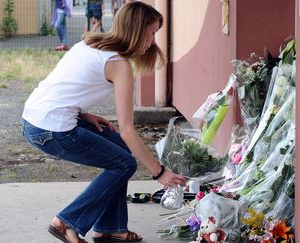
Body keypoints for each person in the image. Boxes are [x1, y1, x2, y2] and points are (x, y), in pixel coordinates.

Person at [21, 2, 187, 243]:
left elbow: (63, 87)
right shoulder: (119, 65)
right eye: (151, 33)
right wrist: (158, 171)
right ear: (137, 31)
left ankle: (110, 228)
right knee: (124, 164)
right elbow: (128, 130)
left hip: (35, 120)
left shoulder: (91, 42)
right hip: (52, 130)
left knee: (119, 152)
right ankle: (66, 222)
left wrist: (82, 113)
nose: (152, 42)